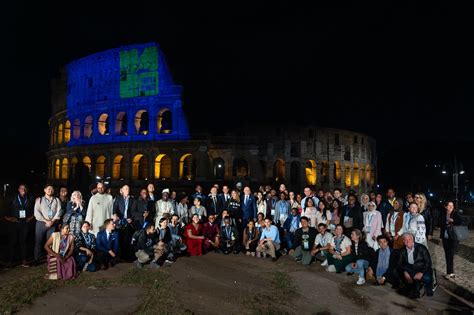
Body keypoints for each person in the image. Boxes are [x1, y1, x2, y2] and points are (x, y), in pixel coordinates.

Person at [5, 184, 34, 267]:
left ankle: (24, 260)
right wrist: (8, 218)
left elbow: (34, 209)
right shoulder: (13, 198)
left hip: (24, 223)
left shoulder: (30, 198)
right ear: (18, 189)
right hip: (14, 223)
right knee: (13, 242)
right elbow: (5, 208)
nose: (23, 190)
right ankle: (10, 261)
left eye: (25, 188)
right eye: (21, 188)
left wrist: (31, 218)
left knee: (23, 242)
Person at [398, 232, 434, 298]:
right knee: (402, 275)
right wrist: (406, 272)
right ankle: (415, 289)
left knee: (427, 278)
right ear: (403, 241)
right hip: (410, 269)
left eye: (409, 239)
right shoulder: (402, 251)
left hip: (422, 268)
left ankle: (427, 287)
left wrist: (421, 273)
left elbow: (428, 262)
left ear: (413, 239)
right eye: (405, 240)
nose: (407, 241)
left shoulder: (421, 247)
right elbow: (400, 264)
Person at [34, 184, 62, 263]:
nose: (50, 190)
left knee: (50, 242)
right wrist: (46, 221)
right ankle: (37, 258)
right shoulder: (39, 200)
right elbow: (37, 212)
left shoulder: (56, 200)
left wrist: (52, 221)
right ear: (44, 190)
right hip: (41, 223)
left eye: (52, 189)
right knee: (38, 241)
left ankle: (49, 258)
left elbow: (59, 211)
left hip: (52, 224)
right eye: (48, 189)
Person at [438, 200, 464, 279]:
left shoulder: (455, 213)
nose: (451, 207)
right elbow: (438, 223)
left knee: (450, 254)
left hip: (454, 237)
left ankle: (450, 272)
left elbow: (462, 221)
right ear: (445, 206)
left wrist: (453, 221)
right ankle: (450, 273)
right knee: (447, 255)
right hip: (445, 237)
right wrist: (446, 222)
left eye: (452, 205)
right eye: (449, 205)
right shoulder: (443, 214)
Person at [113, 184, 135, 261]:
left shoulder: (132, 199)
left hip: (128, 222)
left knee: (127, 239)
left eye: (128, 189)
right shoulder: (118, 198)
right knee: (119, 239)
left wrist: (131, 218)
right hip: (120, 221)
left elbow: (133, 211)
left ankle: (126, 256)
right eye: (125, 189)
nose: (127, 190)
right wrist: (115, 215)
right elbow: (115, 208)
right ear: (121, 190)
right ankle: (119, 256)